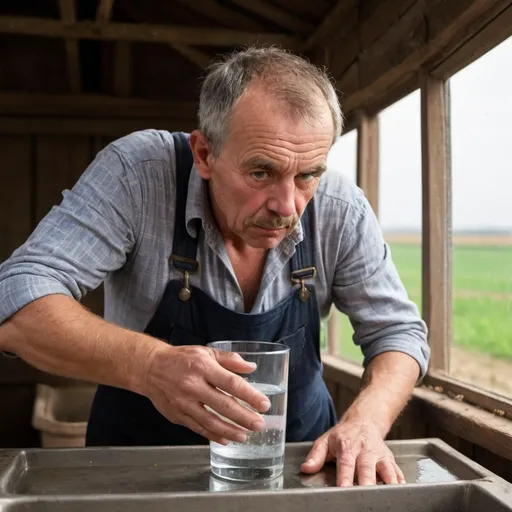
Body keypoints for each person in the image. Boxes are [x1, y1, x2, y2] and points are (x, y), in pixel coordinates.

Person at [0, 46, 429, 487]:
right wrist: (150, 365)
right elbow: (15, 299)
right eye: (261, 173)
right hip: (140, 474)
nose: (288, 206)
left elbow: (398, 333)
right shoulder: (140, 175)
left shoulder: (340, 207)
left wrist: (367, 423)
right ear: (205, 154)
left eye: (307, 175)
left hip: (296, 471)